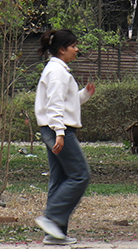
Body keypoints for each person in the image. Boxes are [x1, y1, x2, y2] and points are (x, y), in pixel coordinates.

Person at [34, 29, 95, 246]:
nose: (77, 49)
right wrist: (60, 133)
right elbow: (55, 105)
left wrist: (84, 94)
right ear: (62, 49)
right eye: (73, 46)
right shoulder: (57, 72)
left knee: (59, 179)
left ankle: (54, 234)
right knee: (80, 175)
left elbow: (65, 102)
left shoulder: (57, 70)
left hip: (54, 129)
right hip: (60, 130)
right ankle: (50, 217)